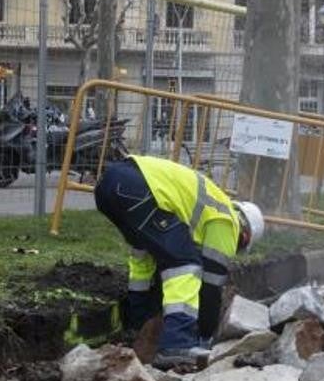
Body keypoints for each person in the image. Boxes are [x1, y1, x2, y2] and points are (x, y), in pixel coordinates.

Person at [94, 155, 265, 367]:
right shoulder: (227, 220)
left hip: (109, 185)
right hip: (138, 190)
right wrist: (205, 336)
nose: (232, 250)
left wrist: (143, 325)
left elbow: (145, 269)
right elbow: (211, 287)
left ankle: (136, 326)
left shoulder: (207, 205)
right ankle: (177, 343)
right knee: (185, 265)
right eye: (238, 247)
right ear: (244, 235)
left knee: (145, 256)